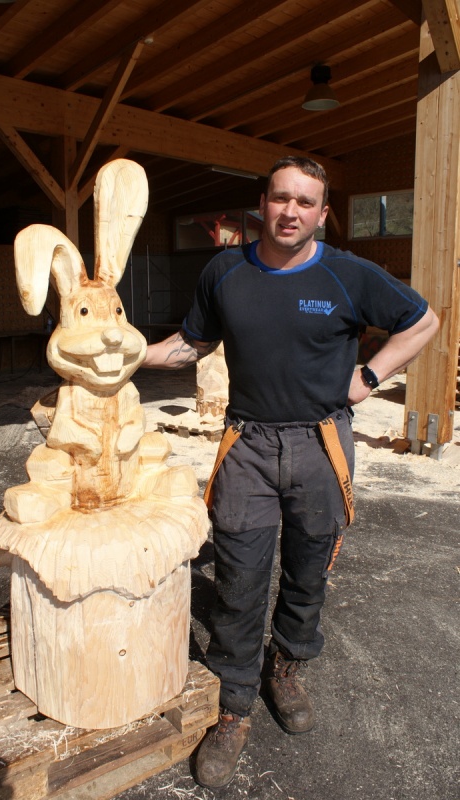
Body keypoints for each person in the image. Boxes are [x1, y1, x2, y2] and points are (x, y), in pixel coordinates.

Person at [142, 156, 439, 789]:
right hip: (247, 445)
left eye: (305, 202)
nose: (290, 212)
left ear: (322, 213)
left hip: (320, 444)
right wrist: (128, 353)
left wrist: (369, 376)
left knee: (308, 570)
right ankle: (234, 705)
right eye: (281, 198)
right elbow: (192, 343)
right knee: (238, 577)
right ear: (263, 204)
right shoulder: (225, 271)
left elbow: (423, 321)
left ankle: (286, 664)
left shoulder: (348, 274)